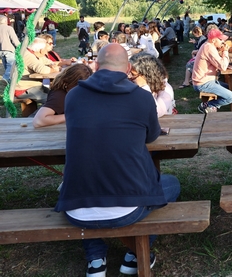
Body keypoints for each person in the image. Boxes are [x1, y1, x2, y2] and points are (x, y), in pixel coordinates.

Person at [54, 44, 180, 277]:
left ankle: (95, 260)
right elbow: (151, 136)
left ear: (96, 65)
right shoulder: (142, 97)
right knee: (171, 184)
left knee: (84, 190)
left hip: (75, 207)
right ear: (129, 68)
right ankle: (136, 252)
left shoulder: (73, 96)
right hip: (129, 206)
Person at [192, 28, 232, 113]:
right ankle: (207, 105)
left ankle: (213, 105)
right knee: (231, 97)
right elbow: (223, 66)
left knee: (231, 88)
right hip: (203, 83)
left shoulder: (208, 46)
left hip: (206, 80)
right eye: (220, 39)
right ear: (213, 40)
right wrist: (225, 51)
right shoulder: (209, 48)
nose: (223, 42)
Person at [14, 37, 61, 116]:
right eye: (45, 49)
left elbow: (48, 61)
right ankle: (32, 119)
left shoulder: (34, 53)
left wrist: (52, 64)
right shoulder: (27, 55)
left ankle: (42, 116)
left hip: (33, 85)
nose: (46, 52)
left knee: (55, 93)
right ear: (40, 50)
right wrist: (53, 69)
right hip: (24, 88)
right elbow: (42, 70)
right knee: (53, 100)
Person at [129, 52, 175, 117]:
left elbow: (156, 113)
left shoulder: (165, 89)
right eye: (128, 72)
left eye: (133, 74)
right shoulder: (133, 83)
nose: (129, 76)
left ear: (146, 76)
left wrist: (144, 86)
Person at [0, 15, 21, 82]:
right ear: (5, 21)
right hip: (9, 49)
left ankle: (9, 80)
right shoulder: (9, 28)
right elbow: (14, 40)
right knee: (11, 65)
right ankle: (5, 79)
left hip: (0, 50)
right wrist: (20, 47)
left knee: (6, 66)